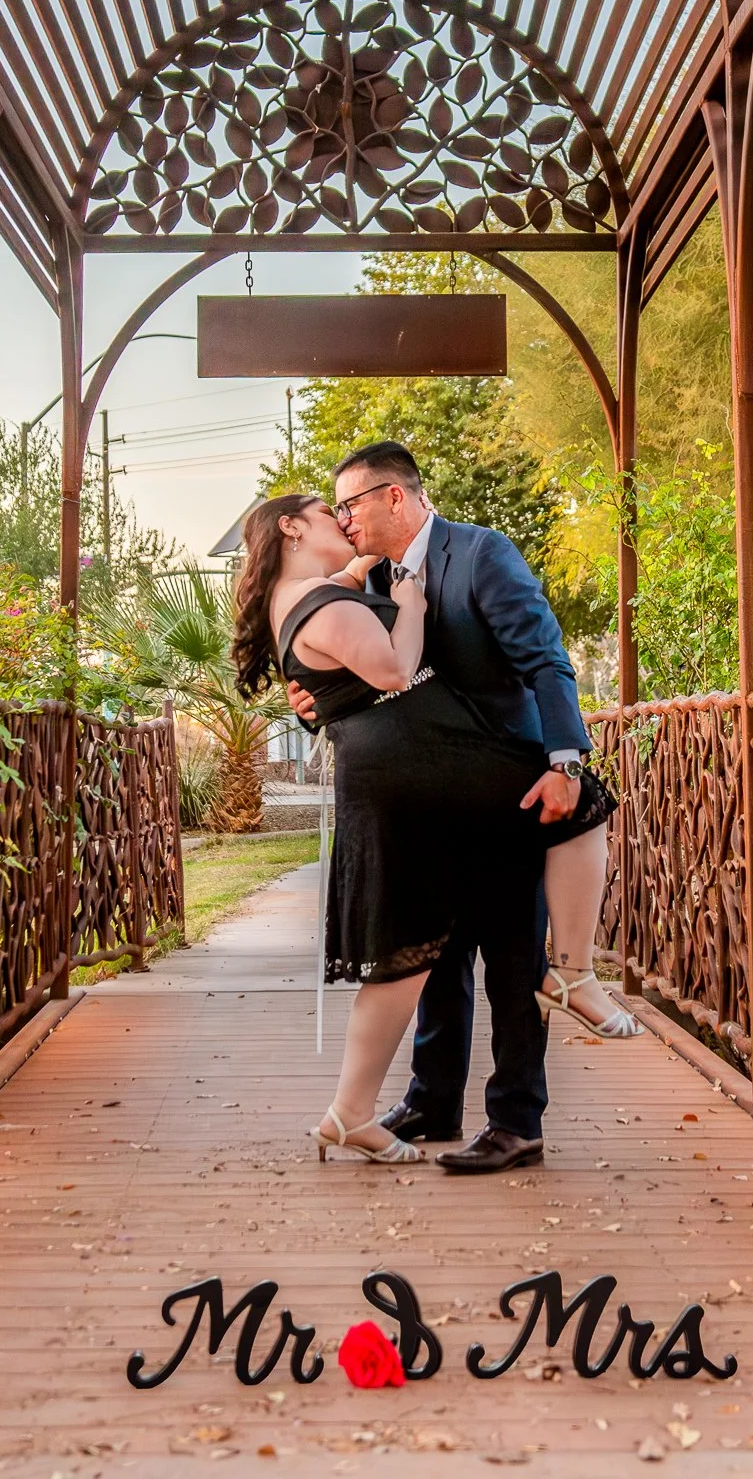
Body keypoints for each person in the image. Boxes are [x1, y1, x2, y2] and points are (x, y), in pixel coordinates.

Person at [284, 442, 641, 1168]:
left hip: (503, 786)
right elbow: (352, 676)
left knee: (512, 956)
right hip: (423, 804)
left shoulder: (481, 554)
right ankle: (432, 1102)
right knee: (436, 958)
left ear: (395, 497)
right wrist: (310, 710)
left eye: (350, 504)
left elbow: (545, 659)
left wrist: (564, 760)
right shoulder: (365, 582)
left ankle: (517, 1123)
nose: (344, 519)